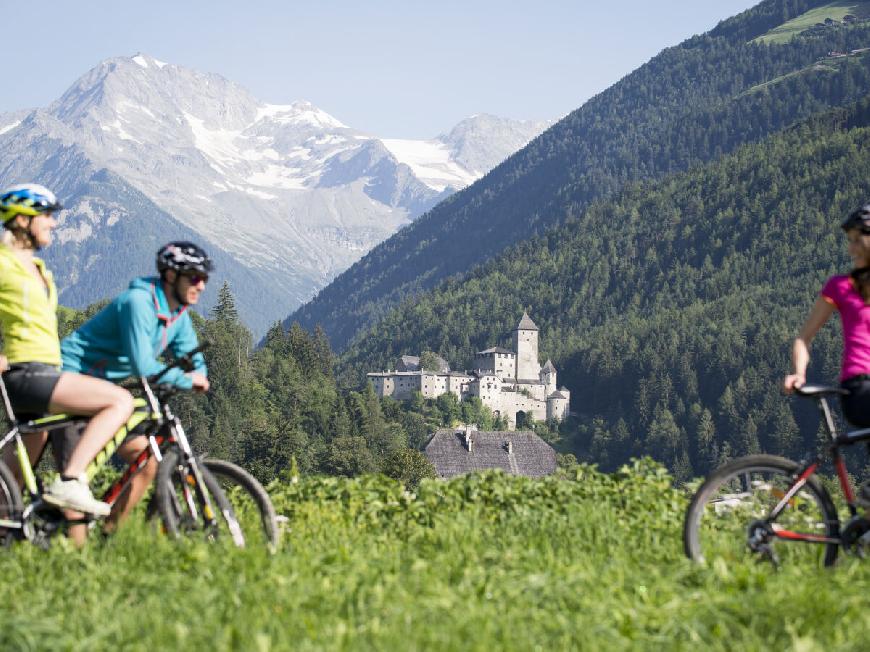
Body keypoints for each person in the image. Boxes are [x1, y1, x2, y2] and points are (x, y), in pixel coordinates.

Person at [0, 184, 134, 516]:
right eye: (46, 215)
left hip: (46, 370)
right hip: (26, 373)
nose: (54, 223)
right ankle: (71, 480)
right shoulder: (3, 264)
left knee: (11, 481)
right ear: (21, 219)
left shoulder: (39, 269)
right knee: (119, 400)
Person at [60, 241, 211, 531]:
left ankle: (108, 536)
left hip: (106, 393)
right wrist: (183, 380)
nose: (201, 285)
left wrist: (199, 375)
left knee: (148, 463)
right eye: (194, 277)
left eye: (204, 278)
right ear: (171, 276)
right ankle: (74, 557)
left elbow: (192, 356)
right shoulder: (138, 303)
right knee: (74, 490)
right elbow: (142, 365)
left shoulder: (177, 314)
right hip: (73, 381)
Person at [784, 203, 870, 505]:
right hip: (859, 387)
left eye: (858, 240)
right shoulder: (840, 286)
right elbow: (803, 339)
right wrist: (799, 373)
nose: (851, 249)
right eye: (850, 240)